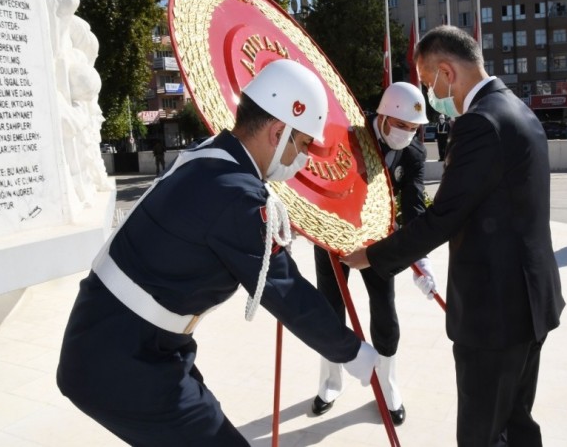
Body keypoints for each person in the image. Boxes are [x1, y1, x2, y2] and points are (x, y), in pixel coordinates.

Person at [56, 60, 379, 447]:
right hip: (122, 359)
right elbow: (287, 292)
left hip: (127, 338)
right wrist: (353, 351)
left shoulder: (213, 155)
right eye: (304, 145)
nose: (304, 159)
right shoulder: (237, 195)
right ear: (278, 132)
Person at [342, 25, 565, 446]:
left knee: (481, 433)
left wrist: (371, 255)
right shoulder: (518, 109)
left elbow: (442, 216)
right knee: (516, 422)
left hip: (494, 314)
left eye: (429, 83)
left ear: (447, 72)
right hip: (532, 303)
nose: (432, 94)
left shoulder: (480, 123)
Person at [310, 82, 437, 426]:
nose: (407, 134)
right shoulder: (349, 134)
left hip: (379, 242)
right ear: (382, 116)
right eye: (401, 125)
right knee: (330, 309)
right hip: (334, 234)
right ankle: (330, 383)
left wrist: (420, 260)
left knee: (385, 312)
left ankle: (387, 384)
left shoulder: (412, 155)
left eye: (414, 128)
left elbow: (413, 208)